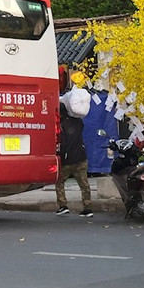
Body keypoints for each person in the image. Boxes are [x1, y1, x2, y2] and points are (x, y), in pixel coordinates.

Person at [55, 70, 93, 217]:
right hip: (81, 158)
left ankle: (63, 205)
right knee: (84, 185)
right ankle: (87, 208)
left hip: (67, 159)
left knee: (59, 182)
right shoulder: (78, 122)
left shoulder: (61, 124)